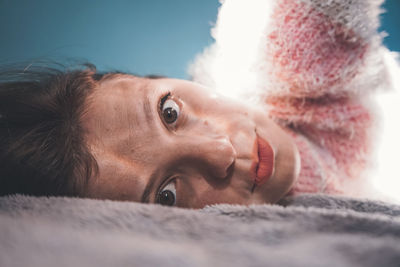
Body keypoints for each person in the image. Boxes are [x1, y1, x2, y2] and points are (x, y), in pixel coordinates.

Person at [0, 0, 393, 208]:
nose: (219, 152)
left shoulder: (279, 47)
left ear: (150, 79)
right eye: (166, 196)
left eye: (169, 112)